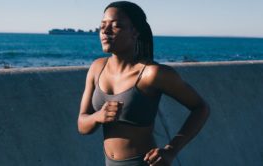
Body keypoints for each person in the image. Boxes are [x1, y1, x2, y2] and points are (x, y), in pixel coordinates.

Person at [78, 1, 210, 166]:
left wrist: (171, 150)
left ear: (135, 32)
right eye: (102, 25)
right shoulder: (97, 68)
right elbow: (82, 125)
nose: (105, 31)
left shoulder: (152, 74)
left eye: (116, 25)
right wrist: (98, 117)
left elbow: (201, 108)